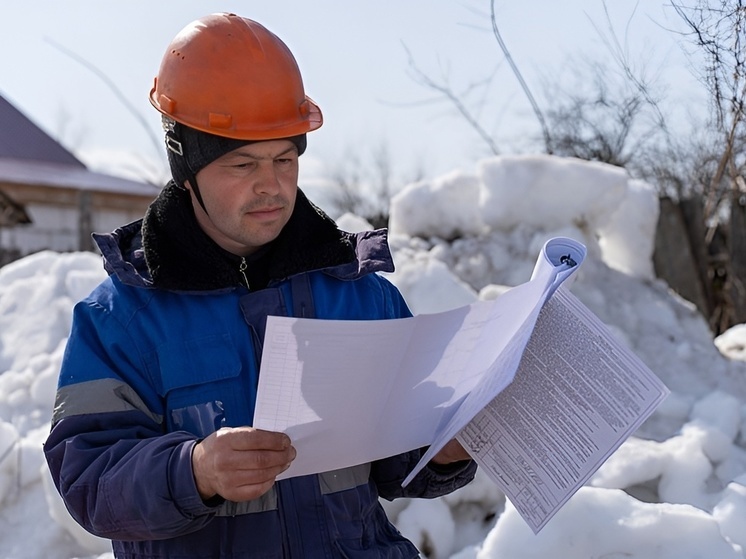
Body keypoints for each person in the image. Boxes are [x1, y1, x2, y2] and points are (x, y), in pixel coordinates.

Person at [43, 12, 476, 559]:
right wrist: (192, 470)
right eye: (243, 164)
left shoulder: (361, 295)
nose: (270, 185)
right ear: (187, 169)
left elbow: (395, 464)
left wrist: (444, 451)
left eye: (284, 158)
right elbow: (87, 480)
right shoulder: (122, 318)